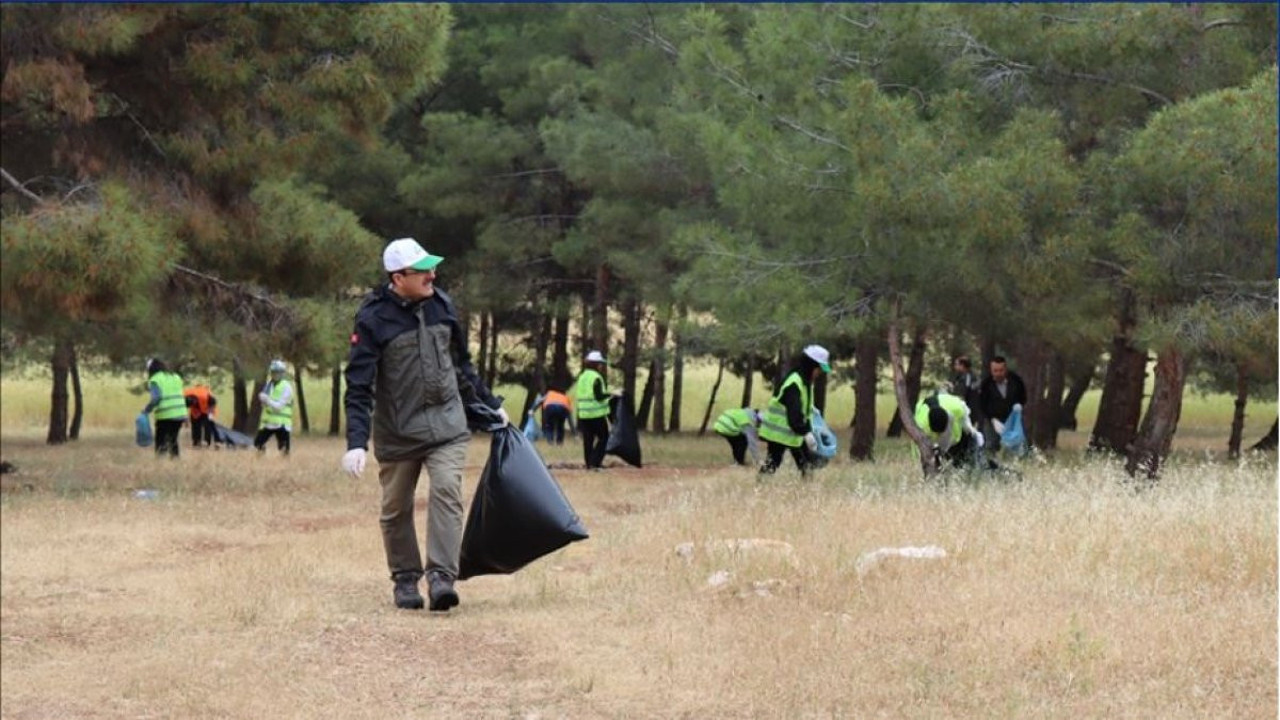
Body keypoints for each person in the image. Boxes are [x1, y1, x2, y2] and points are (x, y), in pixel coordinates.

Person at [340, 237, 510, 612]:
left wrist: (490, 405)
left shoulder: (442, 306)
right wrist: (356, 442)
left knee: (447, 490)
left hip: (447, 425)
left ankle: (441, 577)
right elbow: (359, 385)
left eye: (433, 267)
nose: (433, 275)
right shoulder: (372, 319)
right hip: (398, 432)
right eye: (424, 271)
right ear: (399, 278)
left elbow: (463, 367)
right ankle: (405, 579)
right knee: (395, 507)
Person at [758, 345, 830, 477]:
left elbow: (804, 411)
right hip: (779, 432)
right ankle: (760, 487)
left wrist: (809, 424)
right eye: (819, 369)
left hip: (793, 430)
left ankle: (808, 490)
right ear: (811, 366)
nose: (819, 373)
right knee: (774, 461)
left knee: (806, 462)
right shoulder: (794, 384)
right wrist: (806, 433)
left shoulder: (805, 382)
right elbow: (795, 415)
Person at [914, 391, 986, 470]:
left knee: (968, 457)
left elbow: (967, 423)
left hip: (957, 438)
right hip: (939, 443)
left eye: (942, 431)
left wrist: (972, 433)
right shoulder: (920, 424)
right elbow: (917, 446)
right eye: (938, 432)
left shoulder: (957, 408)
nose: (940, 434)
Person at [978, 356, 1028, 452]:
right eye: (995, 371)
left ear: (1005, 369)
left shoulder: (1016, 381)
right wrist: (992, 419)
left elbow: (1023, 396)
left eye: (1001, 370)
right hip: (993, 420)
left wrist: (1019, 405)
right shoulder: (986, 384)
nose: (998, 374)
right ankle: (991, 465)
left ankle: (1014, 464)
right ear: (991, 370)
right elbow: (982, 404)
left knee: (1015, 445)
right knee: (991, 445)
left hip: (1012, 418)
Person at [574, 350, 613, 470]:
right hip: (596, 413)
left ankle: (588, 463)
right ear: (596, 364)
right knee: (604, 437)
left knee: (588, 439)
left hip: (583, 414)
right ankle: (595, 462)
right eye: (600, 363)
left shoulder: (582, 376)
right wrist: (611, 394)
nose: (601, 365)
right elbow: (599, 396)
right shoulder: (596, 377)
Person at [142, 358, 186, 458]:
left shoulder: (155, 379)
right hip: (179, 413)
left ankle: (160, 461)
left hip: (165, 414)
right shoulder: (175, 377)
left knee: (161, 440)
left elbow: (156, 398)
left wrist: (147, 410)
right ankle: (175, 460)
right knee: (173, 439)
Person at [254, 359, 294, 456]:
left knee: (284, 449)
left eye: (278, 372)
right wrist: (262, 400)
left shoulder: (286, 387)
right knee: (258, 443)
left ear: (283, 373)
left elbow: (279, 406)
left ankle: (285, 467)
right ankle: (261, 459)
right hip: (269, 422)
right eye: (274, 372)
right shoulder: (269, 385)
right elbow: (265, 404)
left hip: (282, 424)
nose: (276, 375)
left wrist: (266, 399)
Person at [183, 383, 218, 448]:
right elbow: (185, 406)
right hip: (196, 410)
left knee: (208, 426)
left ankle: (207, 442)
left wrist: (210, 417)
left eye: (192, 404)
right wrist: (185, 419)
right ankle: (196, 442)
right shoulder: (187, 394)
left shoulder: (205, 395)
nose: (190, 406)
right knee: (195, 425)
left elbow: (213, 403)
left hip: (208, 409)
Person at [949, 356, 981, 420]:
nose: (955, 366)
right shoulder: (960, 376)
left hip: (968, 409)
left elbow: (964, 391)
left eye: (957, 364)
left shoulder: (968, 376)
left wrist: (953, 389)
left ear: (962, 366)